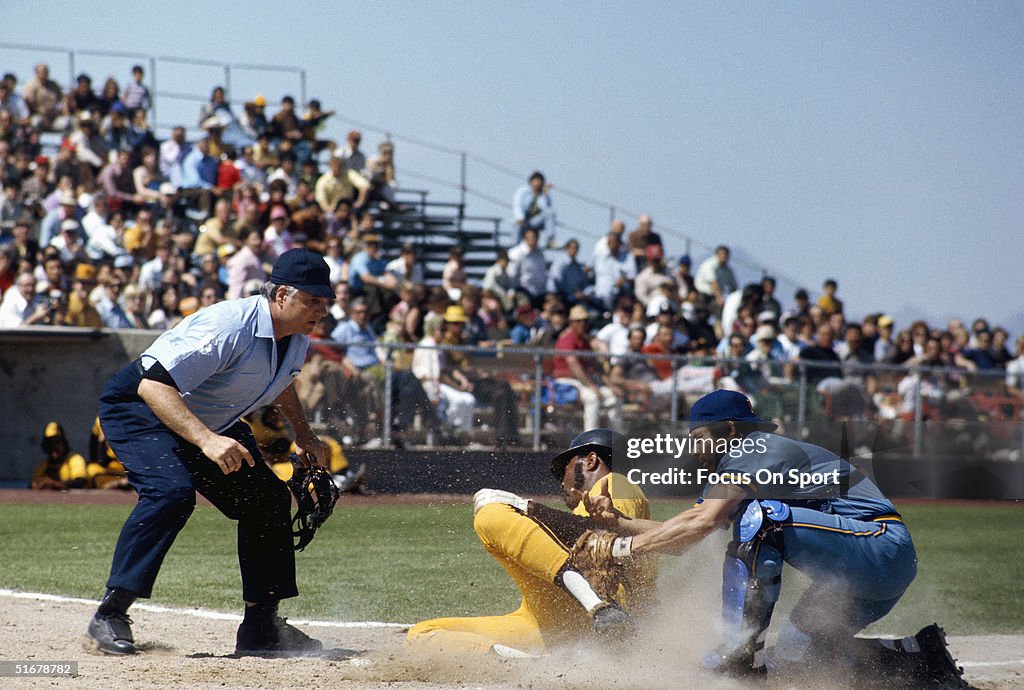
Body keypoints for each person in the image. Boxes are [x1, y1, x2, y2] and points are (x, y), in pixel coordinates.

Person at [577, 390, 967, 686]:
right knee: (800, 658)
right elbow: (685, 534)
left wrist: (622, 549)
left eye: (697, 436)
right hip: (867, 571)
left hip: (880, 544)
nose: (693, 449)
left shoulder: (753, 447)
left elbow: (705, 522)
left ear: (728, 430)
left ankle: (738, 653)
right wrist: (619, 524)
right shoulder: (738, 463)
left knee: (761, 519)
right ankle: (921, 659)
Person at [86, 248, 334, 657]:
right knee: (171, 494)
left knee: (268, 501)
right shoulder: (228, 326)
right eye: (313, 300)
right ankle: (111, 613)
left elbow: (282, 381)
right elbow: (152, 385)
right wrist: (205, 440)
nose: (321, 311)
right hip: (140, 408)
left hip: (203, 421)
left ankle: (261, 629)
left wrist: (304, 434)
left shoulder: (295, 337)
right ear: (281, 296)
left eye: (325, 302)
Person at [407, 429, 654, 656]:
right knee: (424, 633)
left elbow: (598, 543)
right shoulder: (602, 502)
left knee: (489, 514)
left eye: (564, 469)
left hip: (600, 616)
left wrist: (526, 509)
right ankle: (540, 667)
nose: (561, 482)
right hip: (552, 624)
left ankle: (599, 607)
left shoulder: (616, 483)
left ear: (591, 460)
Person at [31, 421, 88, 490]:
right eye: (50, 443)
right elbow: (32, 484)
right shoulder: (43, 465)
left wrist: (54, 484)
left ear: (64, 443)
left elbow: (80, 482)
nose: (53, 447)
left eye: (57, 443)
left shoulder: (75, 459)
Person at [512, 171, 555, 243]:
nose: (537, 183)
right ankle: (514, 246)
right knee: (517, 226)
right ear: (531, 182)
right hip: (523, 219)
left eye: (540, 181)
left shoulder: (544, 194)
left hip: (535, 221)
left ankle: (549, 240)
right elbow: (517, 205)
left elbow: (546, 208)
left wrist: (544, 195)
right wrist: (520, 217)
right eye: (536, 181)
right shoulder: (523, 191)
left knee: (550, 212)